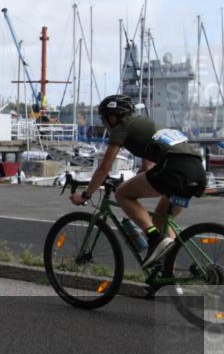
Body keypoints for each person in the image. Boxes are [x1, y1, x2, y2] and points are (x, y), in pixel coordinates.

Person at [71, 94, 206, 268]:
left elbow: (103, 169)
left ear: (113, 117)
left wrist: (86, 195)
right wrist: (130, 186)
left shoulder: (122, 128)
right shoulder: (145, 124)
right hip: (196, 170)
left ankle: (153, 238)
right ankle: (169, 270)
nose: (104, 124)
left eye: (103, 119)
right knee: (161, 220)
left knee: (122, 195)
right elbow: (147, 169)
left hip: (174, 168)